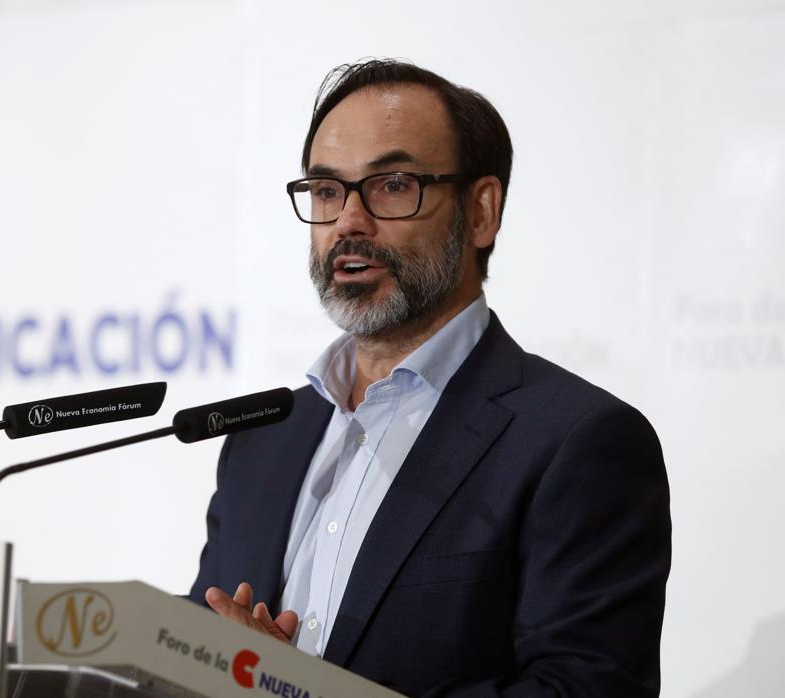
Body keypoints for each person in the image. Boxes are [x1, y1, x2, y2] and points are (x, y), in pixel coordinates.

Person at [188, 59, 671, 697]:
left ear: (480, 213)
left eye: (392, 184)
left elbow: (583, 689)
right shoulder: (263, 441)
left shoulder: (578, 443)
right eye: (328, 190)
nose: (348, 223)